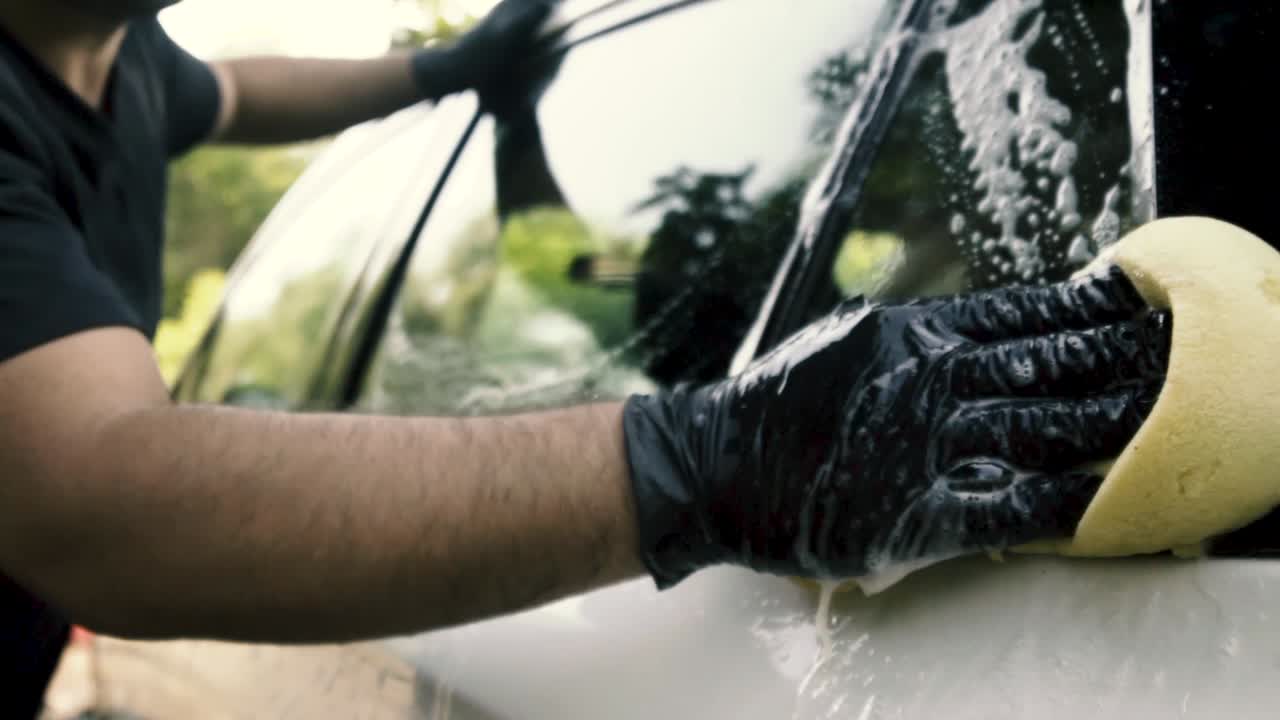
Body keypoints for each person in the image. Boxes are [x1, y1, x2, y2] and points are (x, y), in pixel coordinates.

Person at [0, 0, 1172, 715]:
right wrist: (710, 460)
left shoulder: (128, 61)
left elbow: (237, 90)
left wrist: (441, 73)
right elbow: (103, 498)